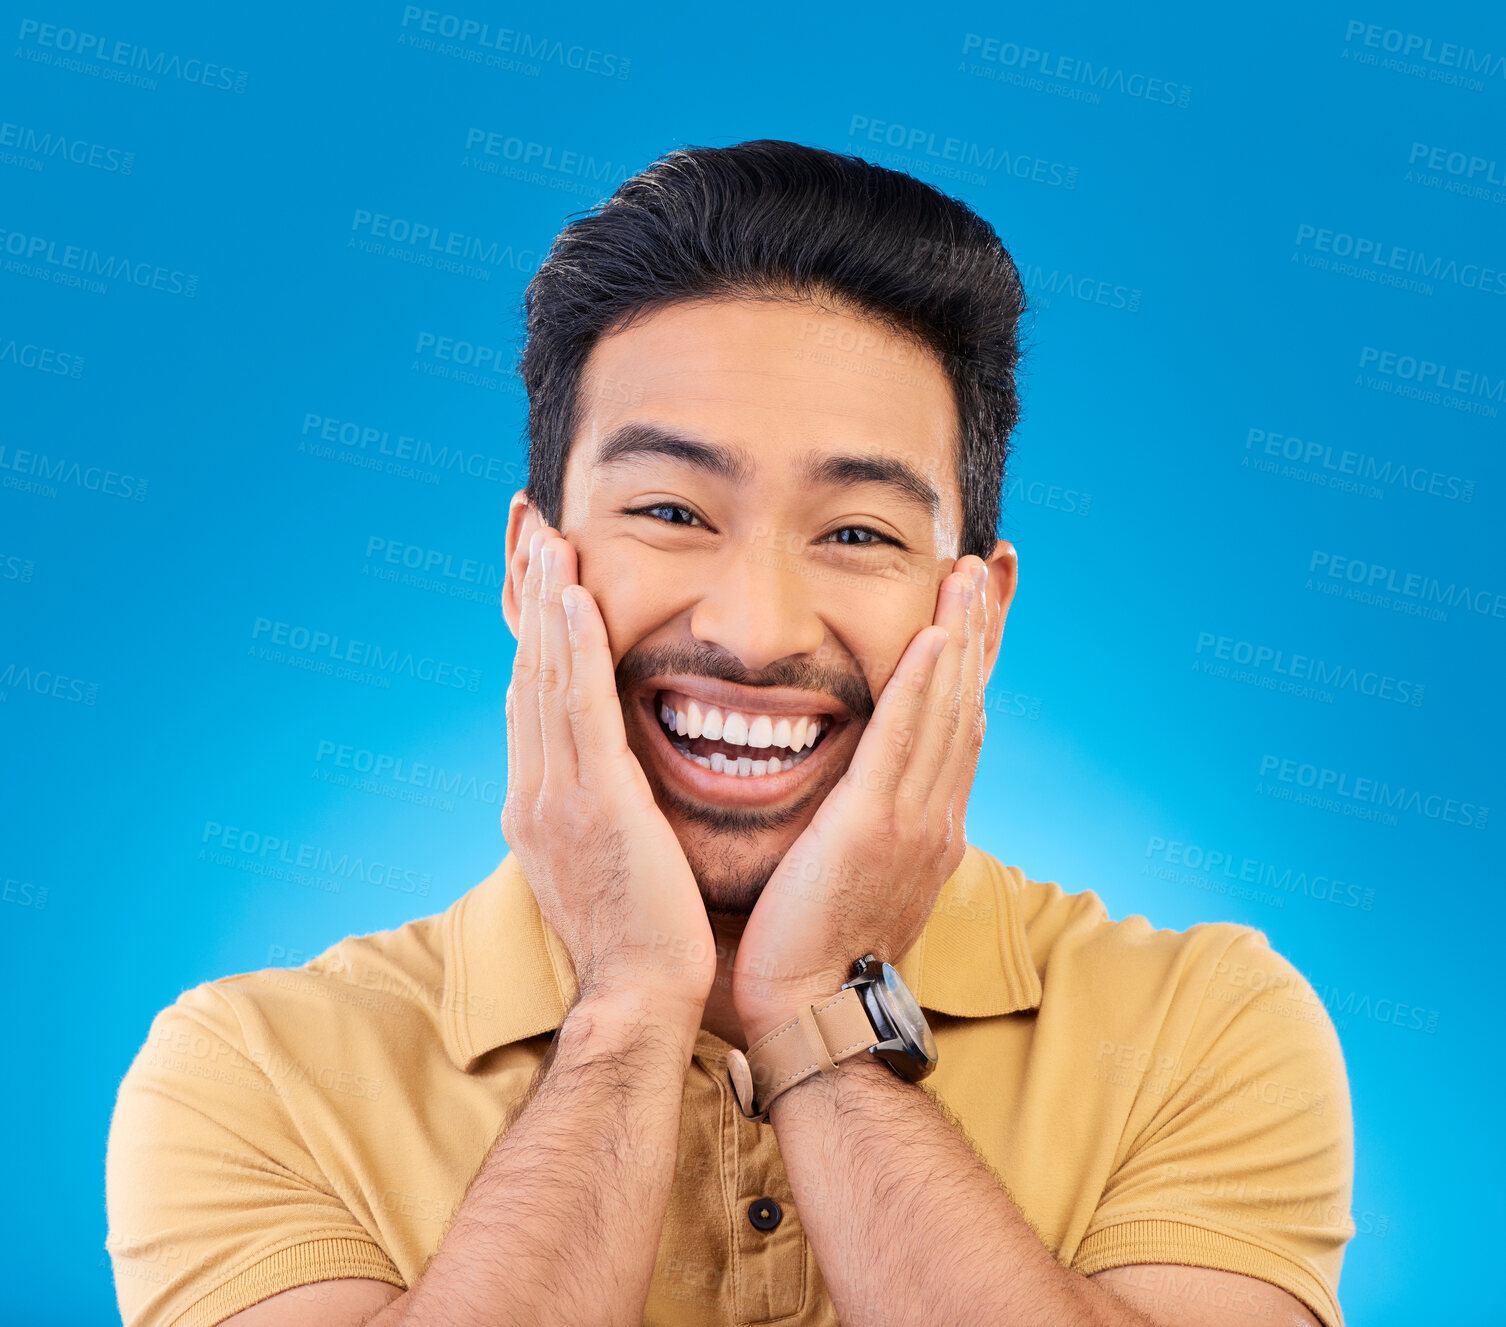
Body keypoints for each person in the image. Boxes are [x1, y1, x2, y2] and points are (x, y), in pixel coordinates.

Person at [106, 139, 1354, 1327]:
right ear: (528, 567)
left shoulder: (1206, 1024)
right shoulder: (253, 1073)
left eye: (858, 531)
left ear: (978, 607)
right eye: (669, 507)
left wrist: (820, 1013)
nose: (756, 631)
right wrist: (633, 1007)